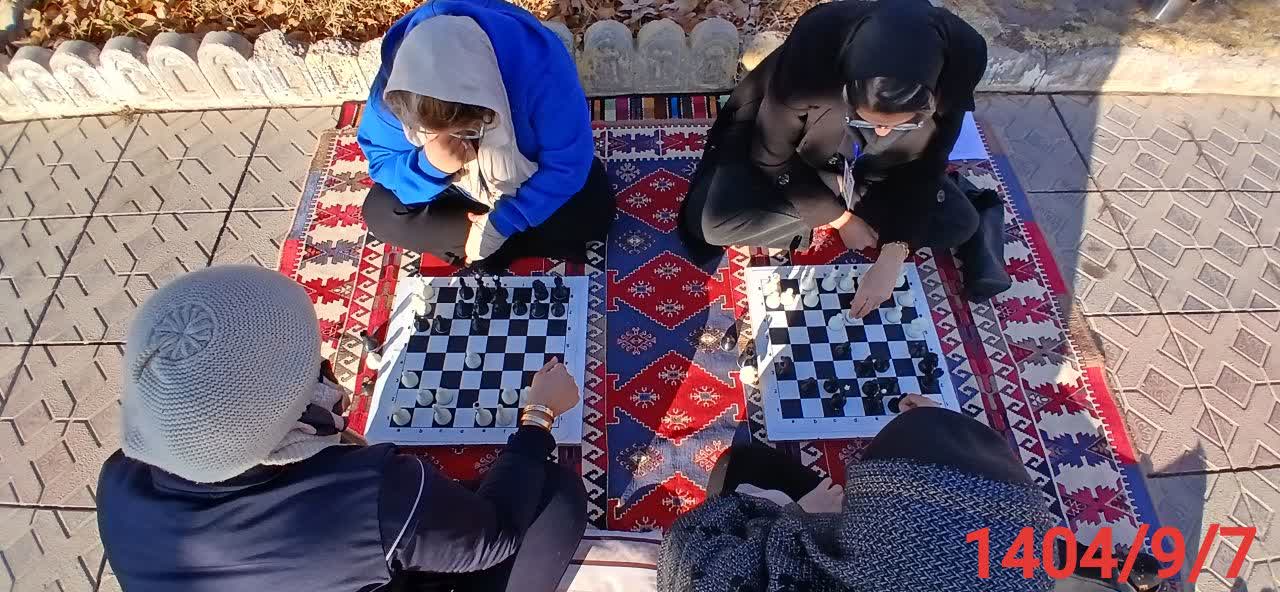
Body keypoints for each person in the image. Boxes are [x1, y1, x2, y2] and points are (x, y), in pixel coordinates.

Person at [97, 265, 587, 592]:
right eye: (311, 372)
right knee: (557, 495)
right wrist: (537, 418)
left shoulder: (120, 482)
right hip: (382, 541)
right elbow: (493, 538)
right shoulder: (369, 494)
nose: (328, 373)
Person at [680, 0, 1011, 307]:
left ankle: (952, 195)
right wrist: (840, 218)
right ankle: (841, 204)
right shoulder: (813, 57)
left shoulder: (953, 66)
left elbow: (925, 167)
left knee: (959, 224)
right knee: (712, 223)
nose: (882, 133)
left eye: (900, 124)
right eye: (868, 120)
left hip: (876, 170)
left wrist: (895, 251)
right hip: (800, 159)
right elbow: (771, 155)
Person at [657, 396, 1062, 592]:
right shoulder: (1031, 567)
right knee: (754, 462)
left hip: (787, 546)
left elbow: (684, 557)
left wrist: (797, 515)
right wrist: (936, 424)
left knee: (743, 468)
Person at [358, 0, 614, 270]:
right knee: (381, 214)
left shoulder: (542, 68)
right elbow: (382, 160)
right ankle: (493, 244)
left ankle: (484, 246)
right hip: (459, 194)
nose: (460, 141)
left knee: (594, 212)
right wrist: (430, 167)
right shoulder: (393, 87)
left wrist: (502, 224)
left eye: (469, 131)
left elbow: (568, 163)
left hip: (526, 186)